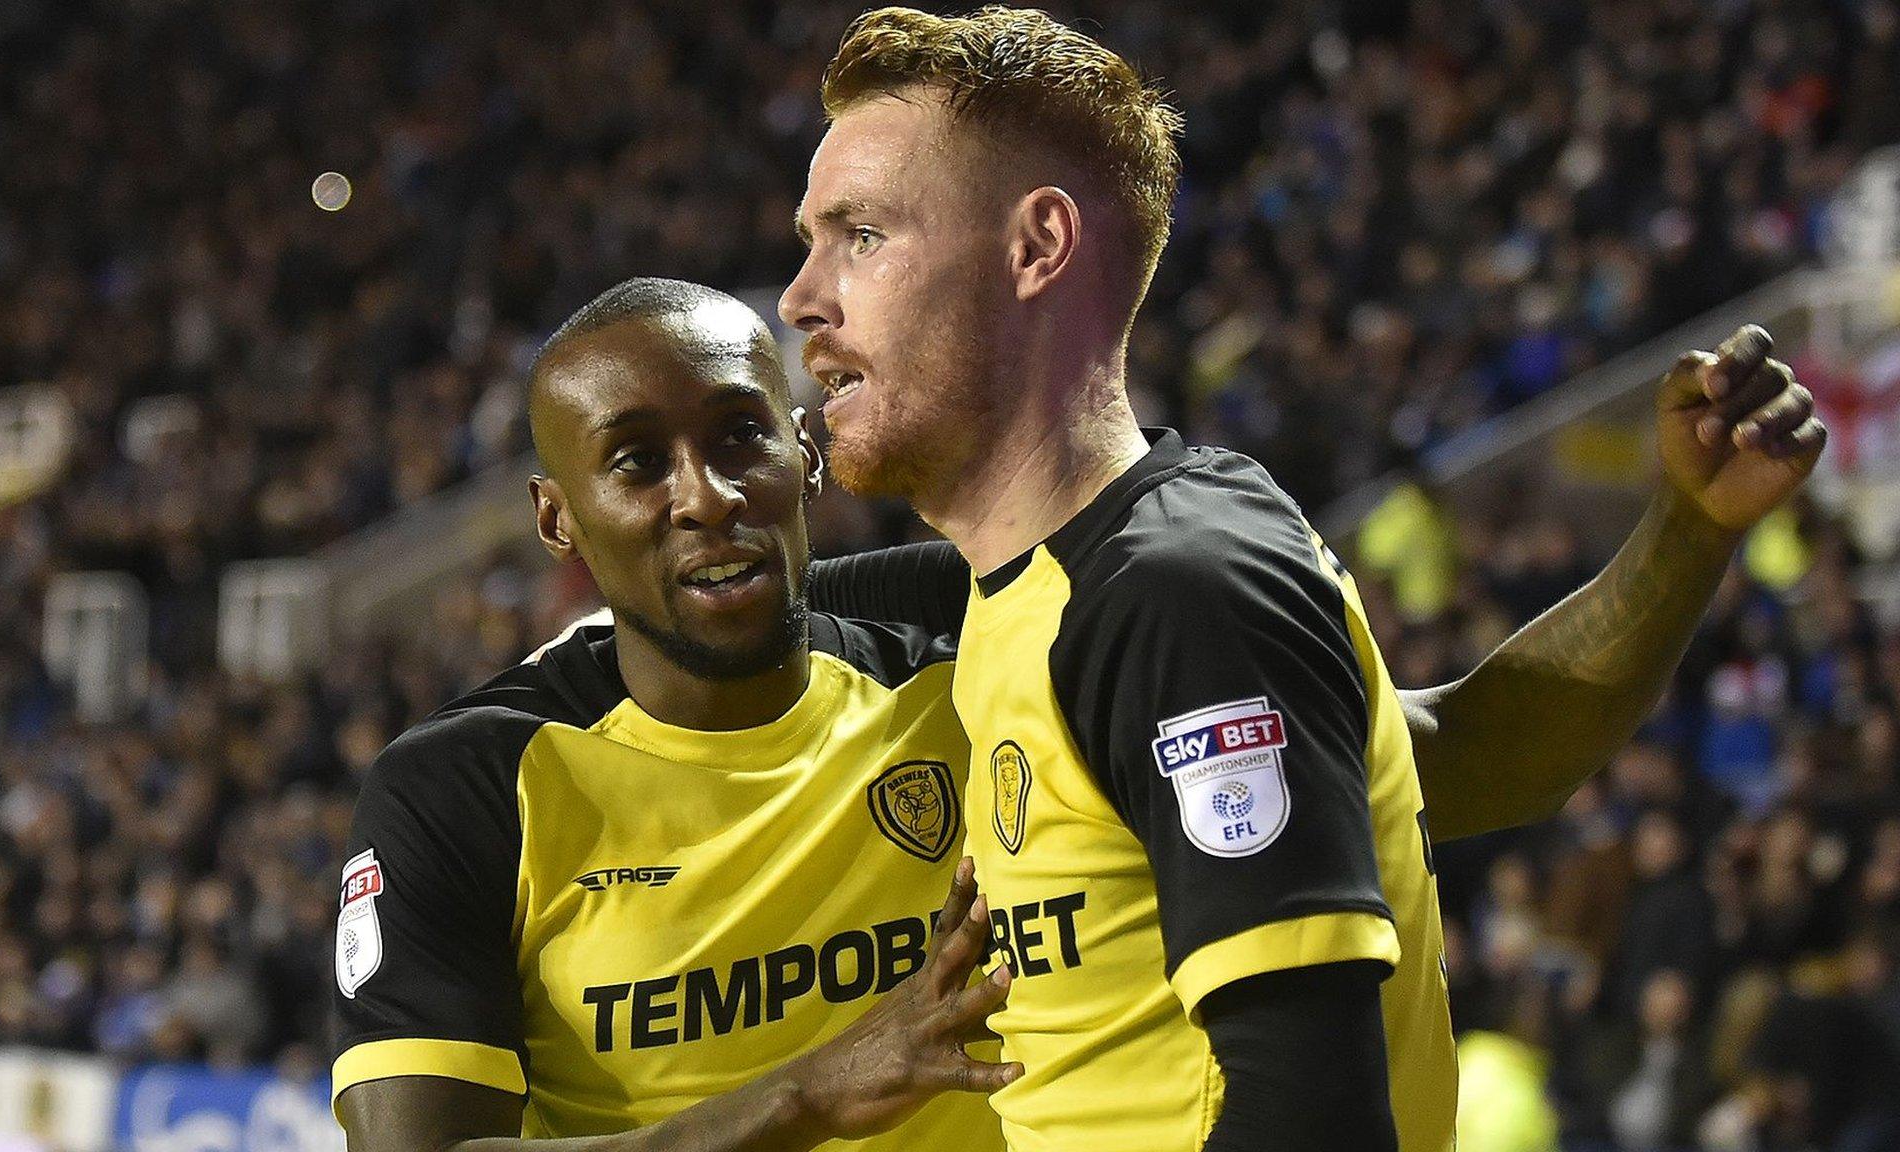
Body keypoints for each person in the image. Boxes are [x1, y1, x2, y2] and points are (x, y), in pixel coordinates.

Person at [778, 7, 1826, 1152]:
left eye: (861, 235)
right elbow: (1449, 761)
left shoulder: (1178, 590)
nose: (801, 297)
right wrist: (1681, 533)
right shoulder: (1047, 578)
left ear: (1034, 248)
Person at [330, 278, 1018, 1151]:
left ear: (804, 454)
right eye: (637, 462)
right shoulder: (465, 785)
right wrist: (806, 1094)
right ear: (557, 520)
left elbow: (1153, 524)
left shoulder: (968, 682)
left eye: (742, 436)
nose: (707, 495)